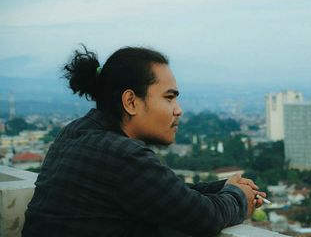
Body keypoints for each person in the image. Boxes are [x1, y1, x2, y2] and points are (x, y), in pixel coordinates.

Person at [22, 45, 266, 236]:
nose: (178, 110)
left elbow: (163, 195)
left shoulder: (76, 132)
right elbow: (205, 218)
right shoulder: (123, 155)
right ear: (131, 102)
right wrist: (238, 198)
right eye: (169, 98)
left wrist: (222, 187)